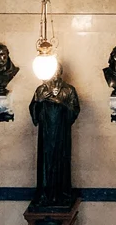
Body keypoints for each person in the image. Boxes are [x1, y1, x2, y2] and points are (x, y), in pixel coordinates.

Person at [29, 65, 81, 209]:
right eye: (53, 71)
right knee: (46, 163)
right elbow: (34, 112)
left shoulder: (69, 90)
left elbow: (75, 111)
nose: (55, 75)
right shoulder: (41, 90)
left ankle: (61, 193)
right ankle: (44, 194)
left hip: (61, 134)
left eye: (58, 71)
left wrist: (61, 104)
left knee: (61, 161)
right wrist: (38, 102)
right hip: (45, 135)